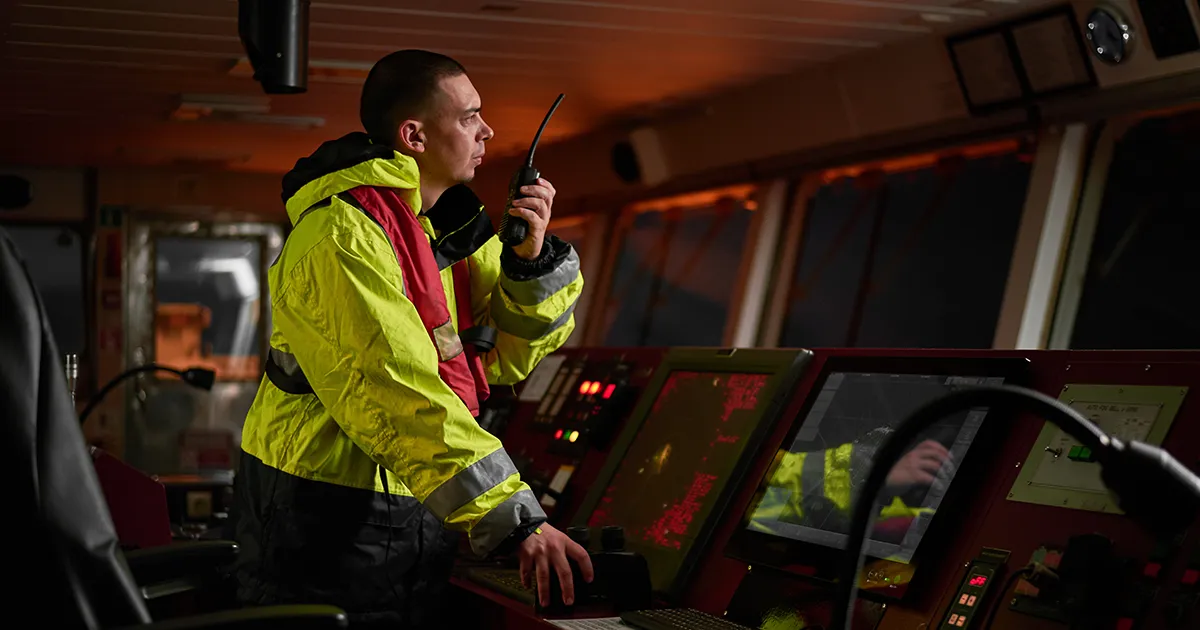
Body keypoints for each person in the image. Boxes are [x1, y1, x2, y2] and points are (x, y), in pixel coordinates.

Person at [231, 50, 591, 628]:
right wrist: (513, 517)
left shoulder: (441, 233)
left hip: (414, 500)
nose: (487, 130)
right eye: (470, 116)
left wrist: (528, 261)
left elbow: (508, 359)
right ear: (414, 136)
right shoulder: (341, 235)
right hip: (326, 514)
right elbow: (396, 391)